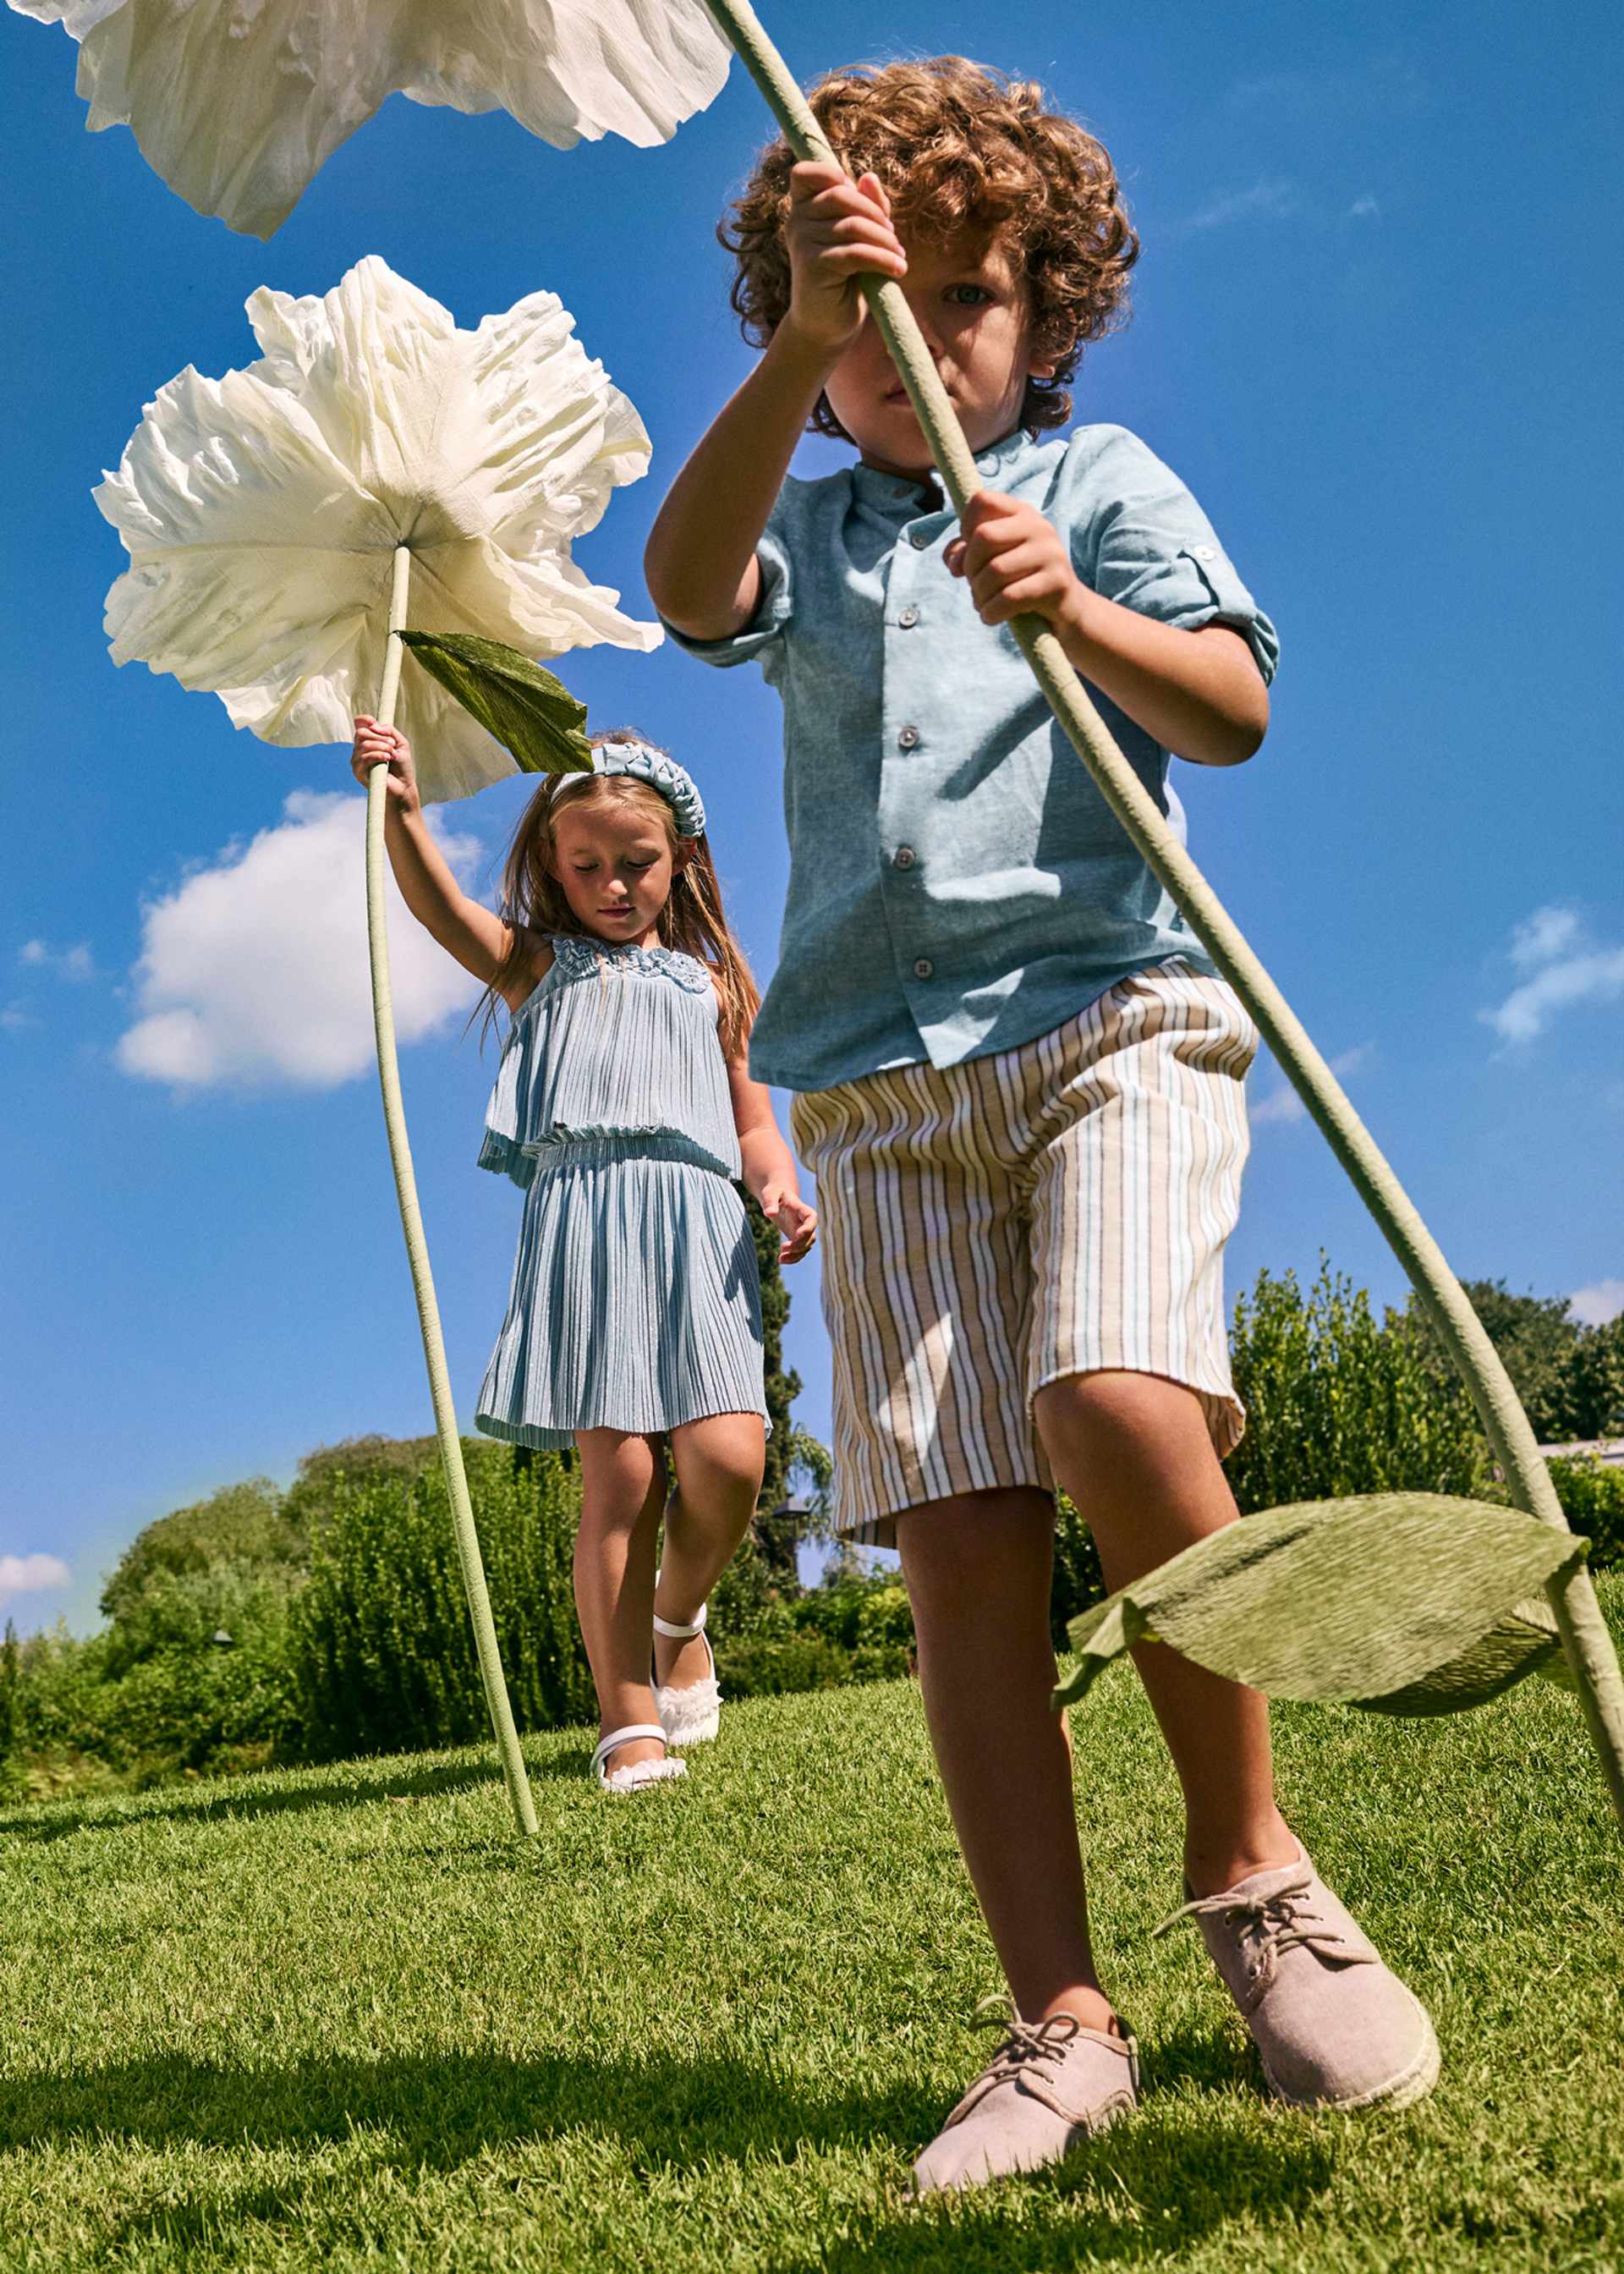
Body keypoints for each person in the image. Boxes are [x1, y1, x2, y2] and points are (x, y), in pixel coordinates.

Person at [644, 56, 1436, 2190]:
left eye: (968, 304)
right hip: (882, 1088)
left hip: (1109, 1021)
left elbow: (1236, 709)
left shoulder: (1097, 483)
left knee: (1105, 1401)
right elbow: (684, 591)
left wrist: (1070, 609)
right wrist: (810, 333)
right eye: (866, 312)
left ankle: (1254, 1874)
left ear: (1046, 321)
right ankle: (1061, 2022)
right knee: (962, 1539)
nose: (922, 349)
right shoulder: (803, 514)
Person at [350, 717, 817, 1795]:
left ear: (681, 861)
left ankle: (677, 1616)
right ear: (555, 867)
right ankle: (628, 1722)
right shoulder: (540, 966)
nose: (614, 885)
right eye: (588, 865)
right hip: (587, 1220)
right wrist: (404, 807)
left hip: (700, 1221)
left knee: (731, 1459)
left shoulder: (714, 988)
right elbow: (441, 909)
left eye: (637, 864)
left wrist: (779, 1189)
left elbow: (754, 1125)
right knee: (624, 1475)